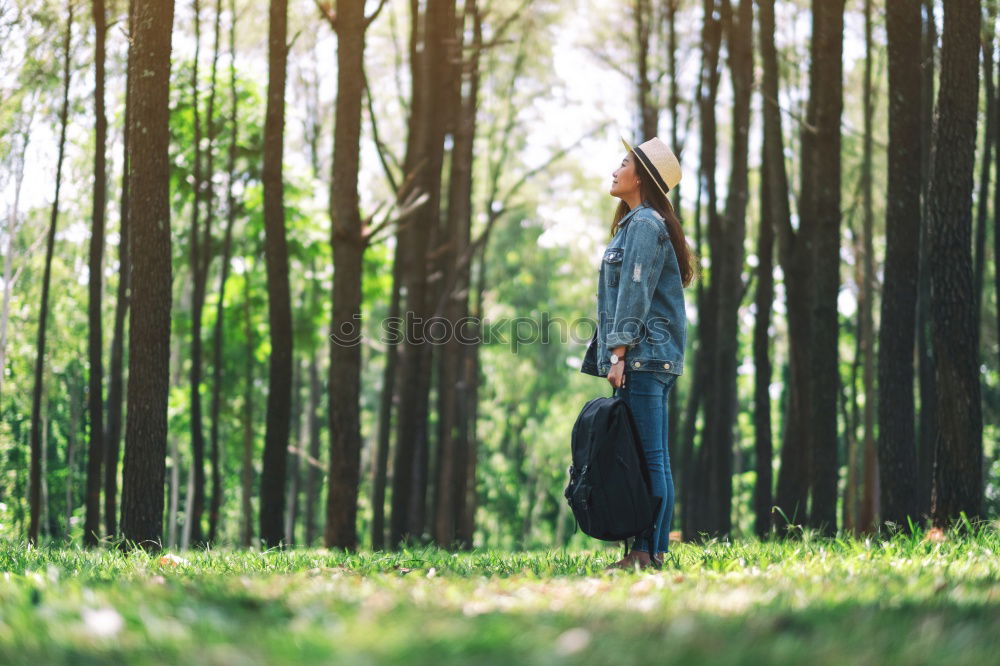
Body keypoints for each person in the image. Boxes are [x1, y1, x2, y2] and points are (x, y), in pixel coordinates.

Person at [580, 136, 696, 570]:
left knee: (650, 458)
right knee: (646, 456)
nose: (615, 169)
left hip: (644, 357)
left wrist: (619, 353)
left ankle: (648, 552)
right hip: (645, 356)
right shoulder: (637, 224)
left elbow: (635, 292)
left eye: (624, 162)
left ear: (642, 176)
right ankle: (647, 551)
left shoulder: (646, 225)